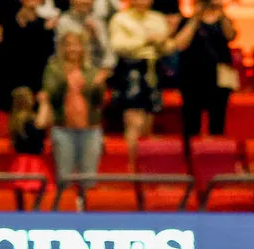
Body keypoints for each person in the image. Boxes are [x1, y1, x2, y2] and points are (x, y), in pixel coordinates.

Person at [41, 30, 107, 199]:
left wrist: (99, 86)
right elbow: (51, 95)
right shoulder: (53, 69)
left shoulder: (91, 70)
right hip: (63, 129)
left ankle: (87, 213)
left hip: (90, 129)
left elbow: (98, 102)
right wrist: (67, 80)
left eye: (76, 44)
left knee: (88, 177)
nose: (73, 49)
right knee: (64, 178)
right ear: (62, 48)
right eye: (68, 45)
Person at [108, 0, 174, 170]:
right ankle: (131, 166)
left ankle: (145, 164)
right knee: (133, 120)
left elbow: (167, 45)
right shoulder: (120, 19)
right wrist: (145, 40)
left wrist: (161, 43)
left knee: (148, 119)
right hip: (130, 69)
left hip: (153, 68)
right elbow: (118, 46)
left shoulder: (158, 19)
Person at [173, 0, 237, 142]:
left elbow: (231, 36)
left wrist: (221, 13)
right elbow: (180, 44)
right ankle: (190, 155)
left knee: (218, 119)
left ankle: (216, 154)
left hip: (218, 77)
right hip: (192, 77)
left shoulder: (223, 21)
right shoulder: (187, 21)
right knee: (191, 119)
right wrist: (196, 18)